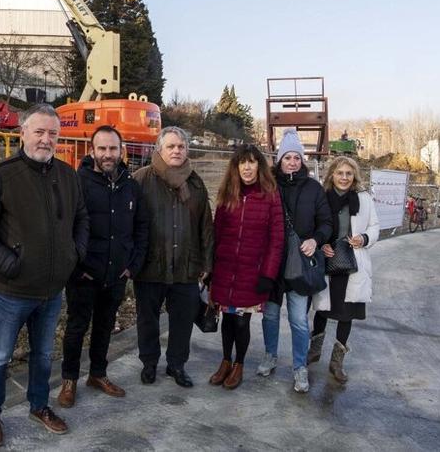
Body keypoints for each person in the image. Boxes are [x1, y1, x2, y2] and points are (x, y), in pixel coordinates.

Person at [0, 104, 89, 446]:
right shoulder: (0, 176)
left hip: (52, 290)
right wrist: (10, 264)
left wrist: (73, 254)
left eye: (53, 133)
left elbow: (82, 220)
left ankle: (39, 406)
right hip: (13, 290)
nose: (46, 140)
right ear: (23, 133)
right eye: (39, 132)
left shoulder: (68, 176)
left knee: (43, 354)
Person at [58, 125, 150, 408]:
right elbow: (64, 229)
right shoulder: (77, 183)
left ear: (121, 151)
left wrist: (131, 266)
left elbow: (141, 228)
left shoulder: (131, 185)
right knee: (76, 328)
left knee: (104, 327)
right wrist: (76, 268)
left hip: (116, 275)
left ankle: (97, 374)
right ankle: (69, 380)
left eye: (113, 149)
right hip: (84, 274)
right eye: (102, 148)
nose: (108, 154)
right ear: (92, 150)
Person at [132, 126, 213, 388]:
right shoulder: (141, 180)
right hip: (150, 266)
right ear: (159, 149)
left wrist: (206, 263)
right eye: (171, 146)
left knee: (182, 321)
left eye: (181, 146)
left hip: (186, 267)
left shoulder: (195, 183)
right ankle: (149, 363)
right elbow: (128, 224)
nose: (177, 150)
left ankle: (176, 365)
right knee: (148, 319)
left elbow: (205, 226)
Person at [256, 129, 333, 394]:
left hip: (300, 262)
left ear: (302, 160)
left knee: (299, 319)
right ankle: (270, 354)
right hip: (274, 263)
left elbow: (326, 221)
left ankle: (300, 367)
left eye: (296, 158)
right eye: (287, 157)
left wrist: (316, 240)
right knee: (270, 315)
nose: (292, 162)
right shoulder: (269, 186)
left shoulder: (313, 188)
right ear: (279, 160)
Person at [208, 144, 284, 390]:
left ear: (259, 166)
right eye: (243, 162)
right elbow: (216, 233)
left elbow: (277, 239)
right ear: (236, 167)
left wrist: (268, 274)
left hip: (252, 271)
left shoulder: (270, 194)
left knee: (241, 321)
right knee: (227, 320)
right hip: (226, 269)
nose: (247, 167)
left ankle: (239, 363)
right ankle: (225, 360)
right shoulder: (228, 193)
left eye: (252, 162)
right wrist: (210, 269)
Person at [309, 155, 380, 383]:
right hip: (328, 260)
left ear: (354, 176)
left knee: (346, 313)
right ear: (332, 175)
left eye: (349, 173)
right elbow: (314, 225)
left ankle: (337, 362)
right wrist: (322, 244)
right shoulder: (322, 197)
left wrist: (365, 237)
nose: (344, 177)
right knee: (322, 309)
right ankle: (314, 350)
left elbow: (375, 225)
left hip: (352, 260)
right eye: (340, 173)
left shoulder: (364, 199)